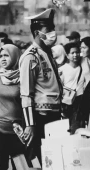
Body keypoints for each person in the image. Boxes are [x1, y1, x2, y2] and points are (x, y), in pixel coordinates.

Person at [19, 9, 62, 166]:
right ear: (37, 32)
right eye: (48, 30)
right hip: (39, 117)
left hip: (54, 116)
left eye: (52, 29)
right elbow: (26, 94)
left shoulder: (47, 53)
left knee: (53, 161)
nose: (53, 33)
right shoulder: (31, 57)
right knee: (39, 161)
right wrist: (30, 124)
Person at [0, 44, 27, 170]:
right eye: (1, 56)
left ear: (15, 57)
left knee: (20, 167)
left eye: (6, 55)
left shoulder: (24, 77)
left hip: (18, 131)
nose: (3, 59)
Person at [58, 40, 90, 131]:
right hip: (66, 103)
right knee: (65, 128)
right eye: (72, 53)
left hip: (79, 102)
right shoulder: (62, 70)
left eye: (77, 52)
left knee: (78, 127)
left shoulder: (83, 67)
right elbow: (59, 87)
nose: (75, 55)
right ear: (67, 55)